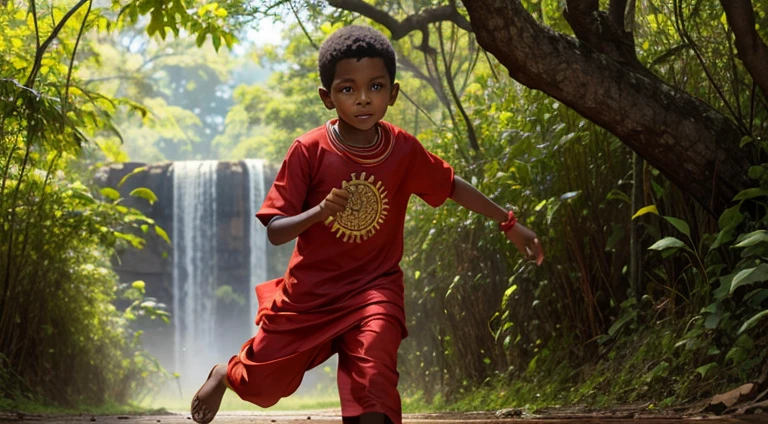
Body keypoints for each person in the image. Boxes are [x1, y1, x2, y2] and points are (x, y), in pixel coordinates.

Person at [190, 25, 544, 424]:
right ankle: (226, 373)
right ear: (328, 97)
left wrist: (508, 221)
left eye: (375, 87)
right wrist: (321, 211)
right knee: (263, 387)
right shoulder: (308, 150)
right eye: (347, 89)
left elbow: (450, 185)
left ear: (392, 93)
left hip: (375, 289)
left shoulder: (403, 149)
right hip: (311, 293)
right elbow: (275, 230)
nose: (363, 99)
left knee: (375, 383)